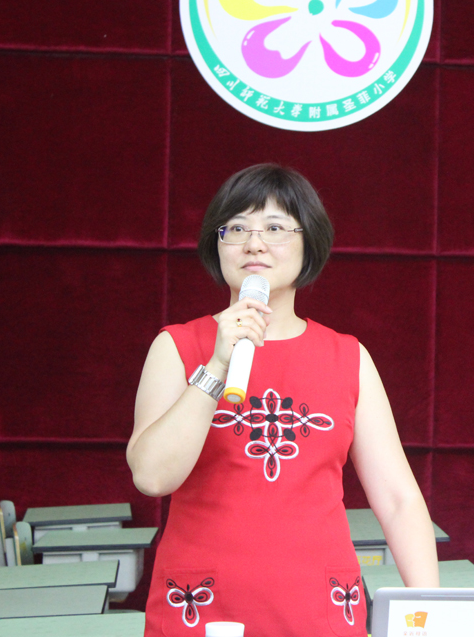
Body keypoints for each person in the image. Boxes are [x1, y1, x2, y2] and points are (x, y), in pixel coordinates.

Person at [127, 164, 439, 636]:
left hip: (320, 611)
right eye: (237, 229)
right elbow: (152, 477)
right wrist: (217, 365)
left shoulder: (348, 357)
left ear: (308, 243)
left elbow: (398, 500)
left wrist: (430, 616)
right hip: (202, 608)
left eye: (275, 228)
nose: (254, 244)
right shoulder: (177, 346)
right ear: (217, 244)